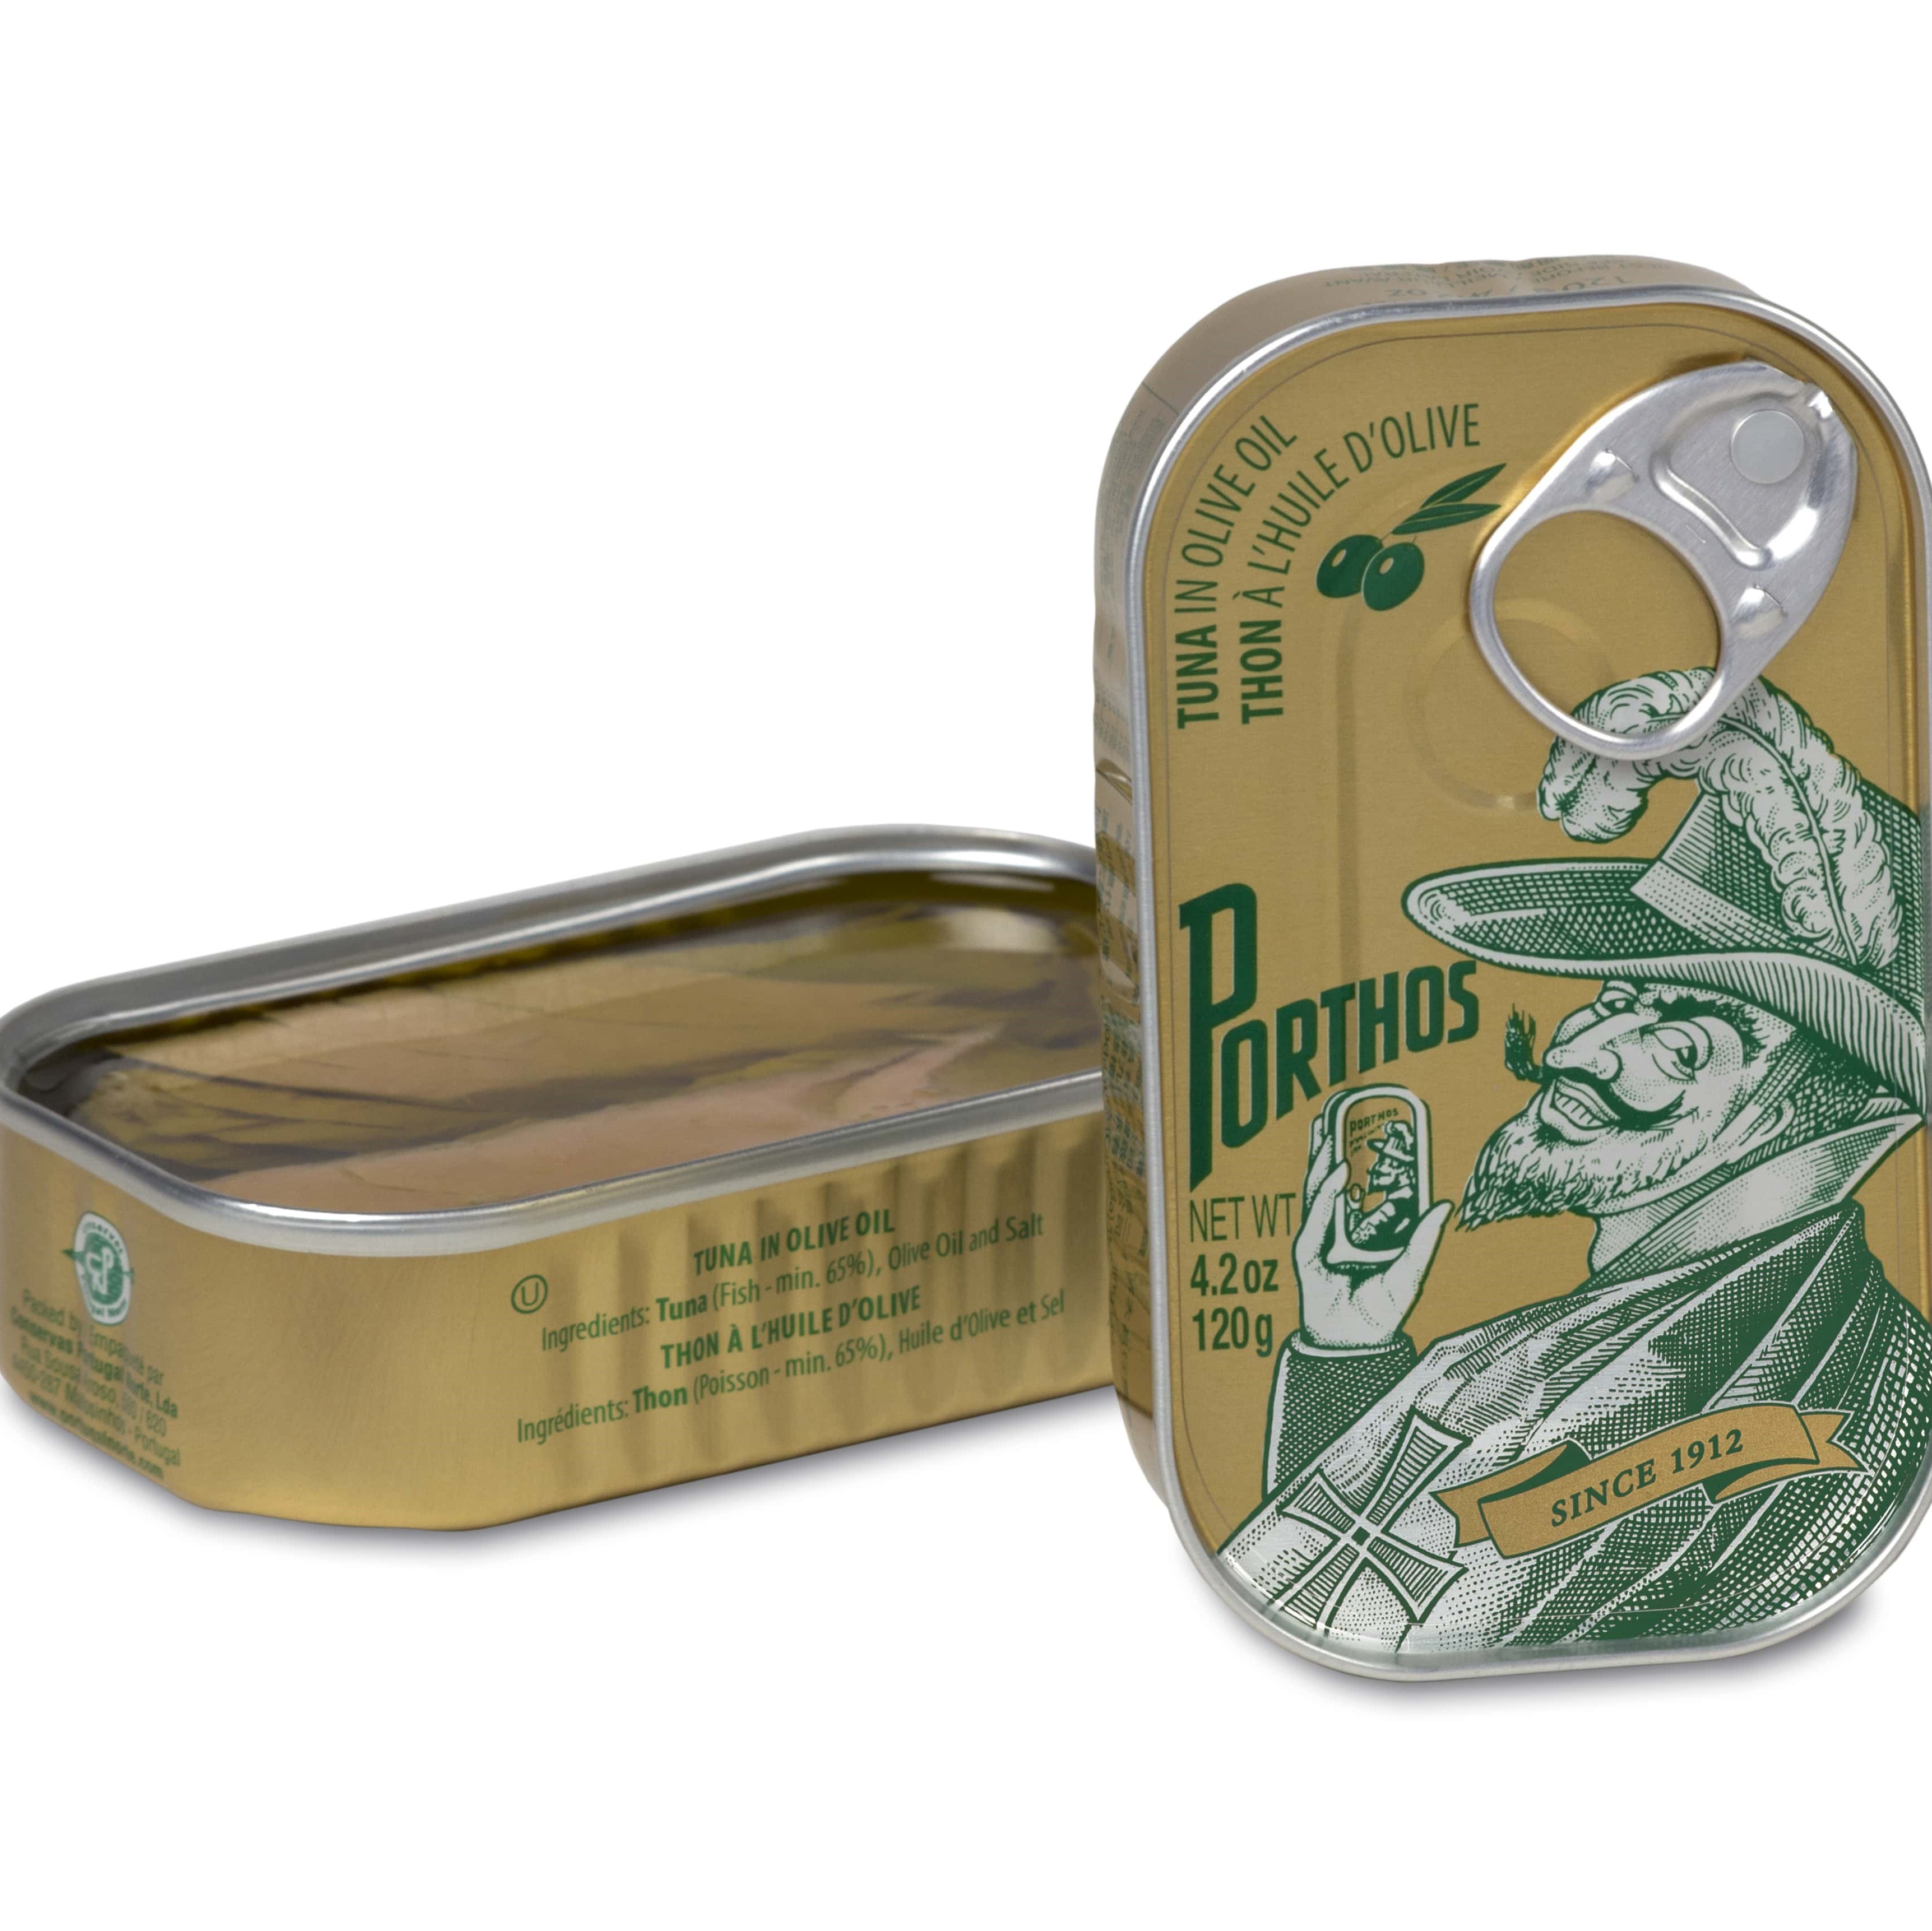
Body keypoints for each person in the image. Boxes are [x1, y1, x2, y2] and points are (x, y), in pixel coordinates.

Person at [1221, 669, 1932, 1655]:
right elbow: (1346, 1583)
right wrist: (1350, 1352)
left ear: (1823, 1109)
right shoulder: (1626, 1312)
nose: (1575, 1049)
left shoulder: (1790, 1369)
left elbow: (1428, 1625)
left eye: (1678, 1043)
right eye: (1611, 1000)